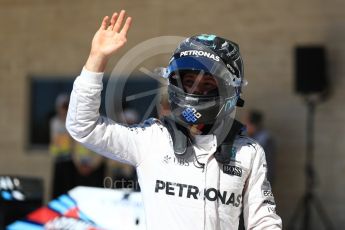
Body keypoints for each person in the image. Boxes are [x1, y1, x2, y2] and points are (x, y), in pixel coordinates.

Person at [66, 10, 282, 229]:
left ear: (229, 89)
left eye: (208, 84)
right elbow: (83, 126)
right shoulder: (153, 140)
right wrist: (97, 59)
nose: (196, 90)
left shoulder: (248, 152)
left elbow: (264, 222)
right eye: (189, 82)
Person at [245, 110, 276, 186]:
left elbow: (268, 166)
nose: (245, 126)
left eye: (247, 123)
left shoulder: (266, 140)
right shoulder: (250, 137)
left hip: (260, 181)